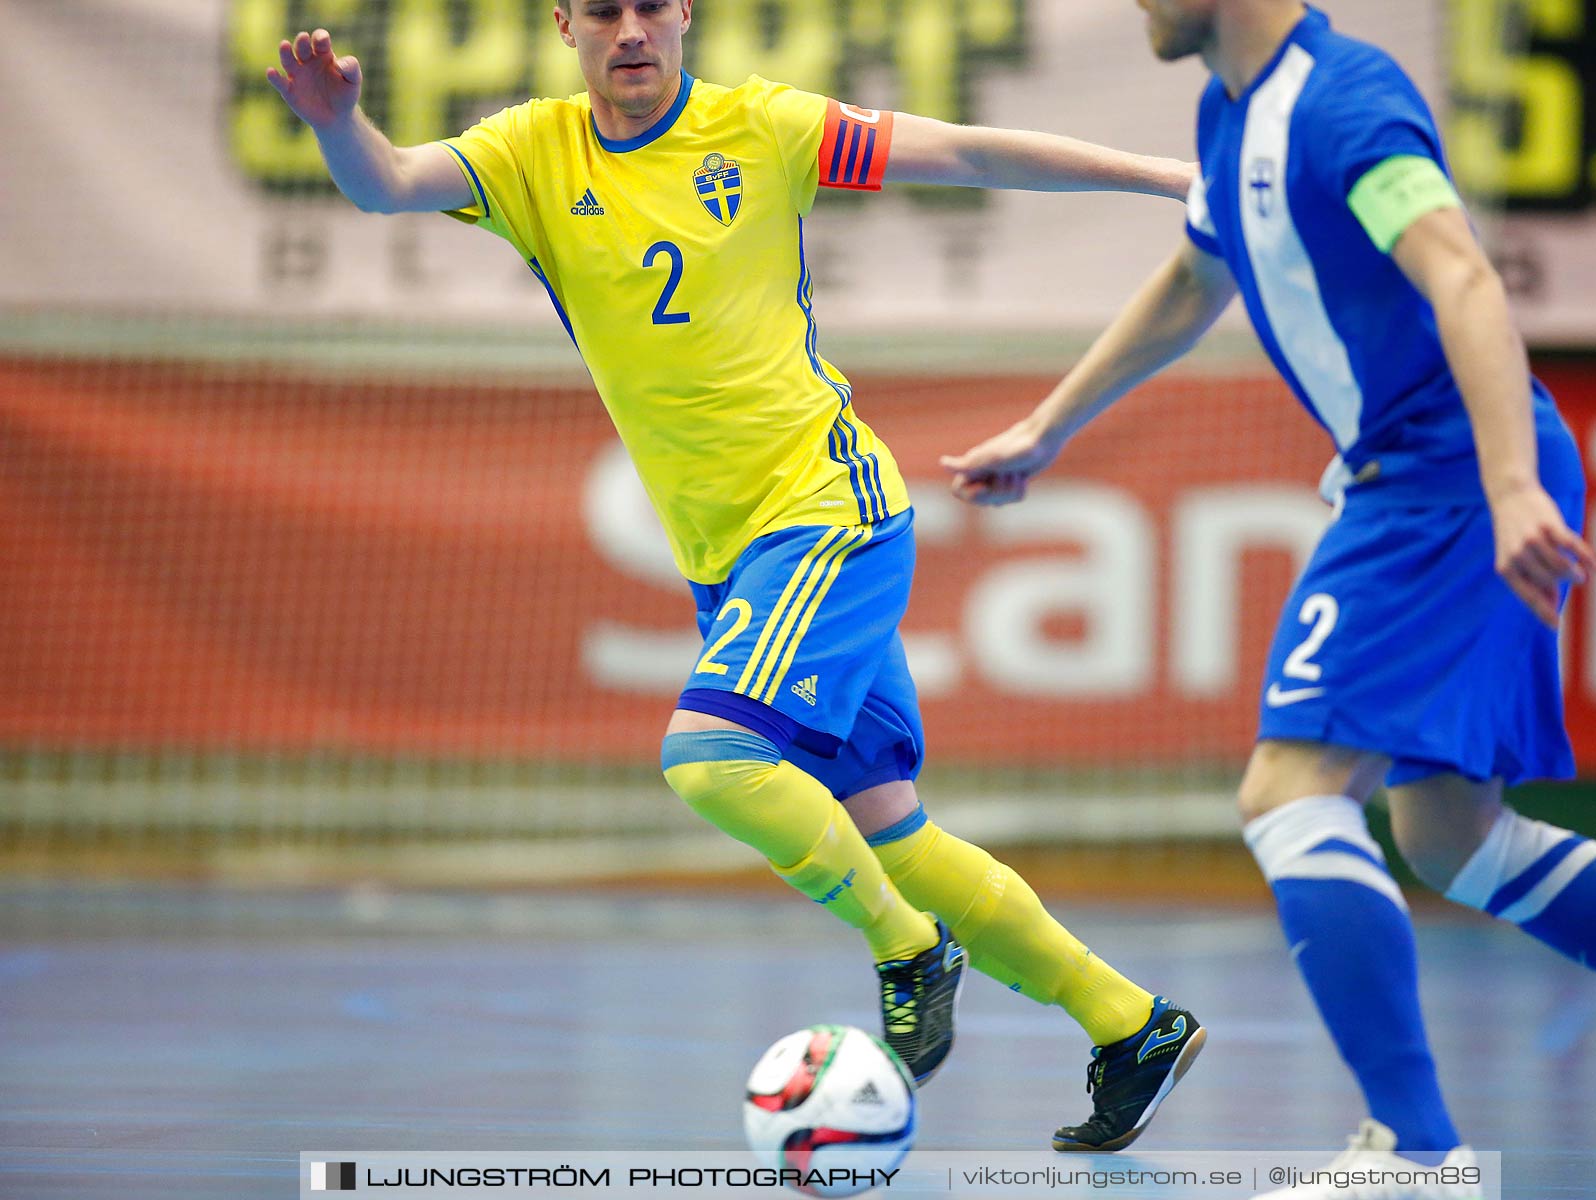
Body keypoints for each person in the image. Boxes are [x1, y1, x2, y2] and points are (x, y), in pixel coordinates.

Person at [266, 0, 1205, 1151]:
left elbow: (962, 149)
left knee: (709, 757)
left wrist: (1163, 173)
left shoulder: (763, 129)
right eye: (603, 8)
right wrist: (336, 124)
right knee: (895, 839)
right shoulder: (527, 153)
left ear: (686, 17)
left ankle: (908, 948)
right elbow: (386, 185)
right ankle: (1129, 1025)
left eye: (651, 6)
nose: (631, 30)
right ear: (565, 23)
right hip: (733, 559)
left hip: (825, 513)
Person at [943, 1, 1596, 1194]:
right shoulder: (1229, 106)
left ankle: (1418, 1150)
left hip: (1446, 478)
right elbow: (1195, 281)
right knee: (1449, 834)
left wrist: (1506, 490)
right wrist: (1048, 426)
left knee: (1288, 791)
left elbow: (1465, 277)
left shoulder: (1345, 105)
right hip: (1426, 477)